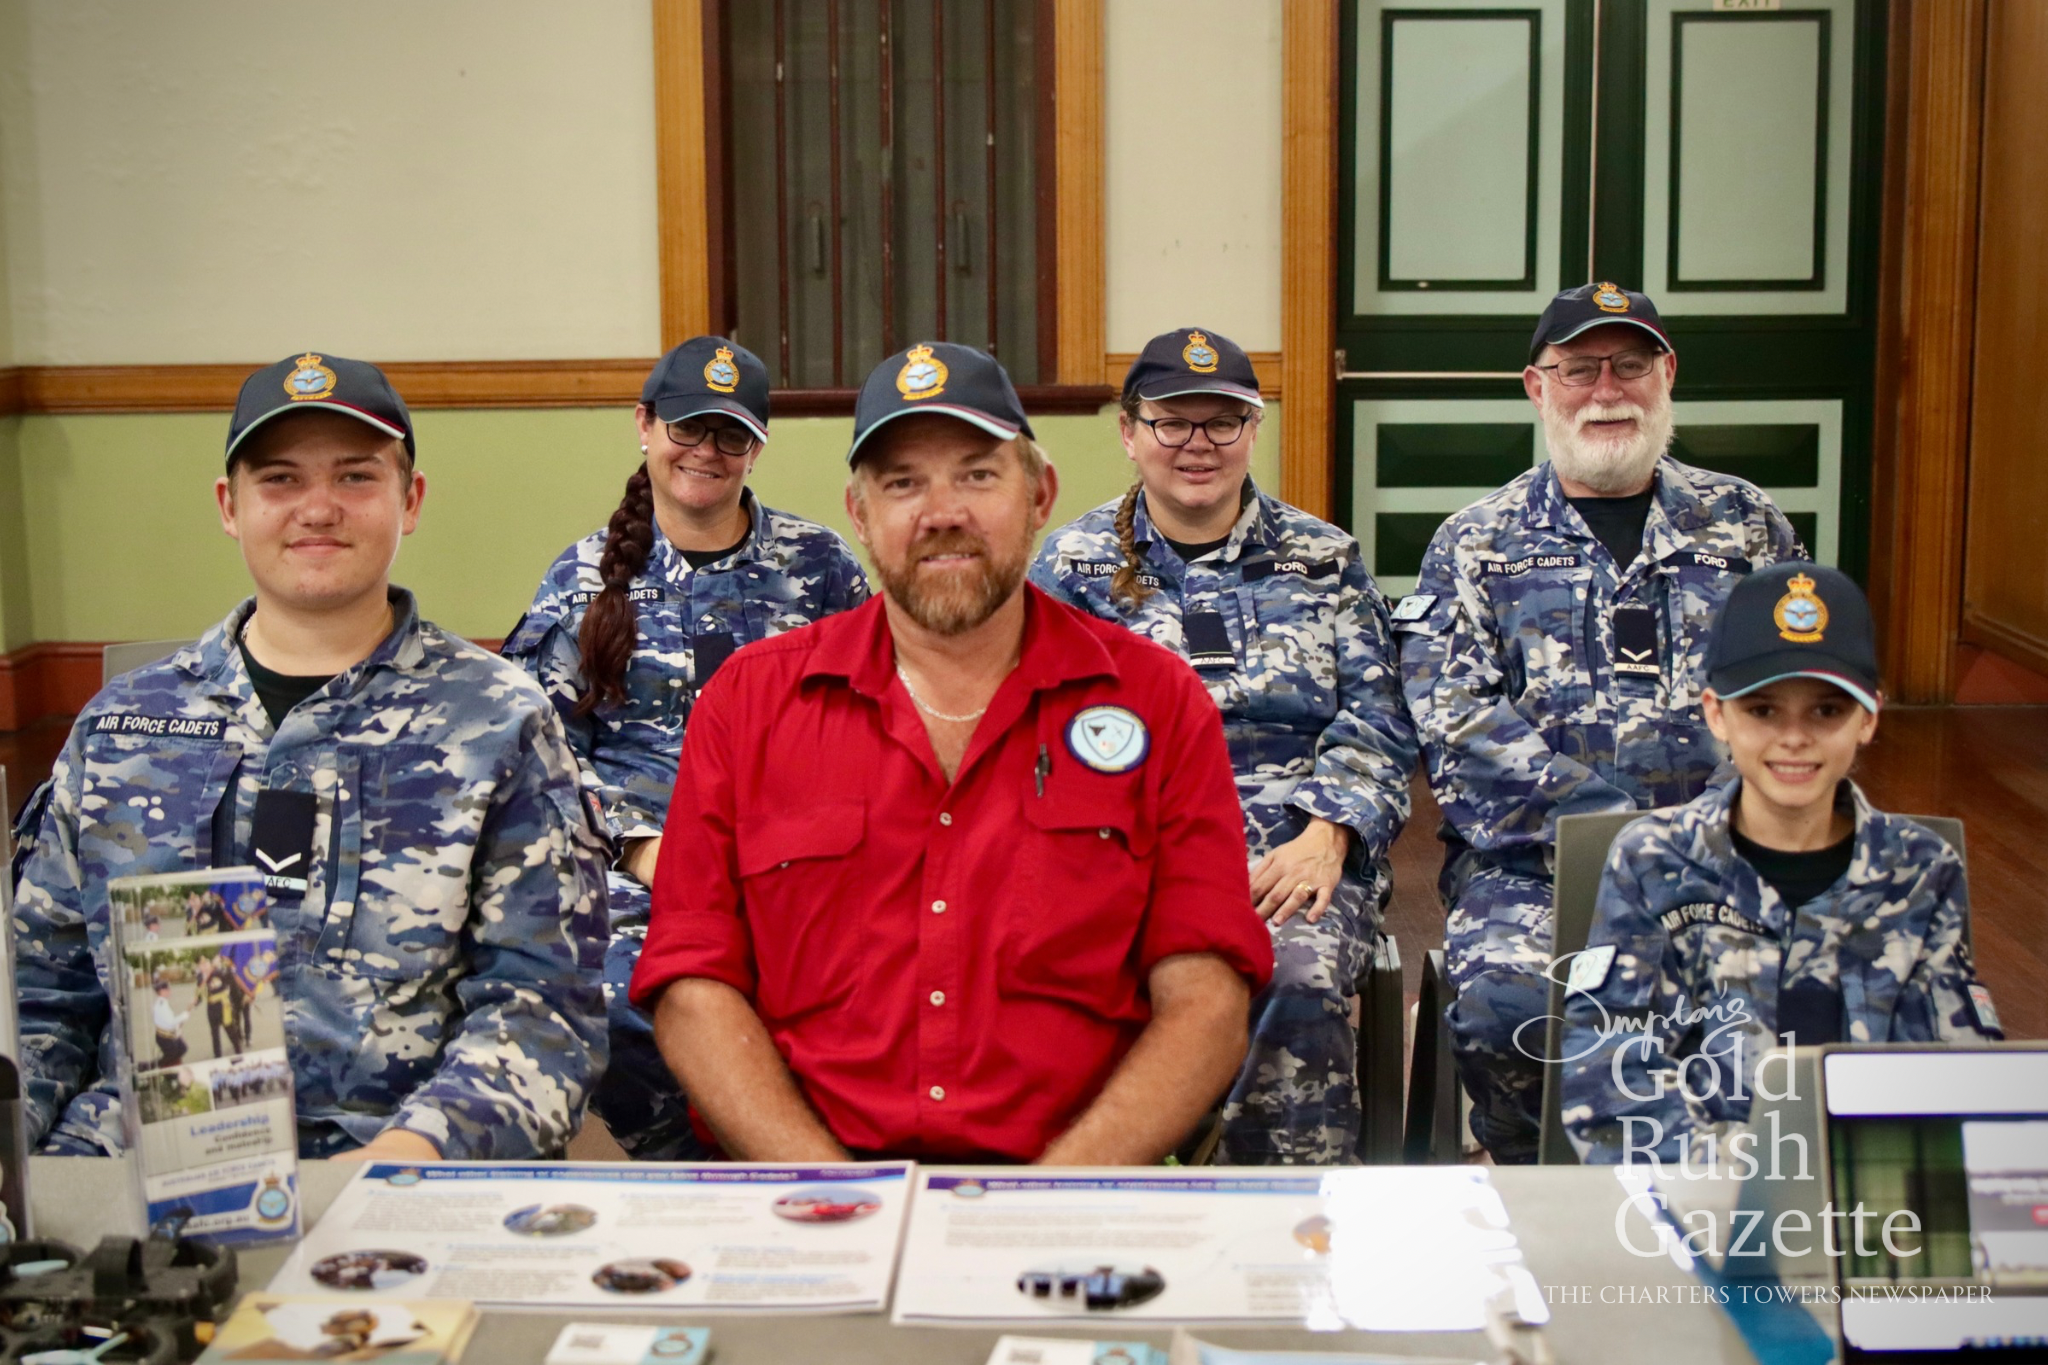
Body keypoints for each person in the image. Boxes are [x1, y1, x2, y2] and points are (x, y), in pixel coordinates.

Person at [631, 342, 1274, 1164]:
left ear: (1039, 495)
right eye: (903, 482)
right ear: (859, 516)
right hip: (809, 1190)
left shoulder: (1155, 703)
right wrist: (838, 1198)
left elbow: (1207, 997)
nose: (943, 512)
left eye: (977, 474)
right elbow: (693, 984)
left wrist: (1049, 1199)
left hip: (1075, 1190)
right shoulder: (749, 707)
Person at [11, 352, 609, 1161]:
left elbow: (542, 1012)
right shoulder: (123, 728)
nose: (318, 508)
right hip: (136, 1170)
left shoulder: (500, 725)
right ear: (231, 505)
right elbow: (41, 1003)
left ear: (412, 498)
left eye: (357, 477)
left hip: (392, 1168)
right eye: (281, 480)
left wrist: (407, 1156)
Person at [1395, 283, 1804, 1163]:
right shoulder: (1477, 542)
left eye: (1630, 364)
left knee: (1799, 1004)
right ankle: (1533, 1175)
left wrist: (1718, 835)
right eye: (1579, 368)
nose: (1606, 389)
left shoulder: (1746, 527)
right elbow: (1457, 726)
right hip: (1536, 870)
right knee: (1508, 1008)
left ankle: (1729, 1194)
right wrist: (1619, 833)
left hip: (1727, 861)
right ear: (1538, 388)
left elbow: (1798, 698)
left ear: (1668, 375)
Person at [1032, 327, 1417, 1164]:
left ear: (1254, 431)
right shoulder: (1072, 566)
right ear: (1130, 432)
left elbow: (1380, 720)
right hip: (1129, 851)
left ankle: (1286, 1220)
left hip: (1294, 851)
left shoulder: (1324, 559)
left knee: (1298, 972)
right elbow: (1036, 734)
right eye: (1174, 422)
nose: (1197, 445)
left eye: (1224, 422)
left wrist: (1329, 835)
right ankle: (1097, 1204)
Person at [505, 336, 868, 1160]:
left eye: (729, 435)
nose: (705, 451)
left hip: (795, 860)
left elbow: (870, 724)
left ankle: (823, 1171)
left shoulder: (819, 570)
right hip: (639, 869)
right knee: (615, 992)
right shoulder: (584, 579)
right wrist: (635, 843)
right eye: (687, 427)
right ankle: (684, 1173)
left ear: (757, 447)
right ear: (644, 424)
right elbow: (540, 758)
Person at [1562, 565, 2004, 1164]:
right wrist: (1743, 1189)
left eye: (1826, 711)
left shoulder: (1920, 871)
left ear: (1869, 716)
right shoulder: (1654, 861)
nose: (1794, 738)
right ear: (1717, 715)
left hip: (1875, 1206)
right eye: (1764, 711)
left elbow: (1961, 1074)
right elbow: (1608, 1069)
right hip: (1696, 1205)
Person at [151, 979, 190, 1069]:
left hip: (169, 1034)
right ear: (162, 991)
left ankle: (168, 1065)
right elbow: (170, 1022)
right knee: (173, 1054)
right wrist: (184, 1015)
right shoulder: (161, 1005)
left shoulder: (163, 1003)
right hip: (164, 1037)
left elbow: (168, 1022)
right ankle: (153, 1066)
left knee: (182, 1048)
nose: (170, 991)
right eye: (168, 990)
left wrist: (177, 1028)